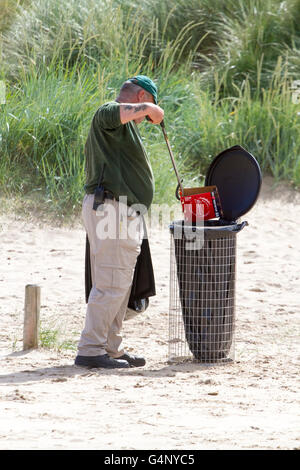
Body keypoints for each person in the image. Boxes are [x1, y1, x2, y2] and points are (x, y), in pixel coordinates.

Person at [75, 75, 164, 369]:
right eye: (148, 102)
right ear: (140, 96)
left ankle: (111, 348)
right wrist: (152, 111)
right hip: (111, 208)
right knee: (111, 283)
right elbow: (119, 112)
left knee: (120, 284)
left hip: (123, 211)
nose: (144, 117)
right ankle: (90, 349)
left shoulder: (125, 128)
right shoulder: (107, 112)